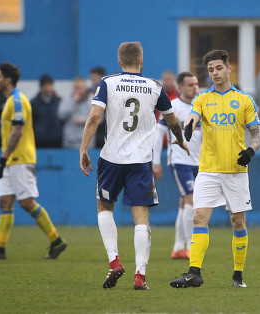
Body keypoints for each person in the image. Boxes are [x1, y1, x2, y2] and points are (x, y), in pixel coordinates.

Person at [79, 41, 189, 290]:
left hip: (111, 158)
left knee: (104, 207)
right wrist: (180, 141)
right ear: (141, 61)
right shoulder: (154, 86)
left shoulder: (108, 82)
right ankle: (140, 276)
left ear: (119, 61)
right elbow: (172, 121)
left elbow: (95, 117)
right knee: (141, 217)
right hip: (140, 161)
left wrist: (83, 148)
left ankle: (114, 261)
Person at [170, 49, 260, 289]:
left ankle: (238, 275)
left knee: (237, 221)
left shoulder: (244, 100)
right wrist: (188, 127)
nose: (215, 73)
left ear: (229, 68)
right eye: (210, 70)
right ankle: (194, 273)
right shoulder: (202, 99)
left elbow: (256, 134)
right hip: (208, 169)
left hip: (235, 171)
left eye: (219, 68)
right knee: (199, 216)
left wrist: (250, 151)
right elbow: (192, 117)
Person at [0, 62, 67, 260]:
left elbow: (18, 129)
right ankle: (0, 248)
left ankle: (56, 240)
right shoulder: (9, 101)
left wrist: (3, 158)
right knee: (5, 201)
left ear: (8, 80)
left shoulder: (17, 100)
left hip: (20, 158)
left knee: (26, 202)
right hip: (10, 160)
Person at [152, 71, 202, 260]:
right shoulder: (173, 107)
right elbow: (159, 135)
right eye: (190, 85)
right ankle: (191, 246)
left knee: (184, 203)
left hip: (199, 162)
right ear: (180, 87)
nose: (194, 88)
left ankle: (178, 247)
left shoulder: (201, 106)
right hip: (180, 162)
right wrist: (156, 162)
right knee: (191, 199)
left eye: (196, 84)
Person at [58, 76, 94, 149]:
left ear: (85, 88)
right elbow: (61, 115)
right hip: (69, 143)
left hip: (87, 143)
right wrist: (73, 102)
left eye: (80, 88)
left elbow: (99, 119)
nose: (78, 90)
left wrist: (83, 120)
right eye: (76, 88)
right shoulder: (67, 100)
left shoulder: (92, 100)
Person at [30, 74, 62, 148]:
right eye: (45, 85)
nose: (47, 87)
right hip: (39, 140)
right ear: (41, 87)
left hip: (56, 139)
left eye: (49, 85)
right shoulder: (34, 103)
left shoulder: (59, 102)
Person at [88, 66, 107, 148]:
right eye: (91, 78)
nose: (93, 81)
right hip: (95, 123)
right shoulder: (88, 92)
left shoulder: (108, 90)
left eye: (95, 78)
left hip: (106, 124)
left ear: (102, 77)